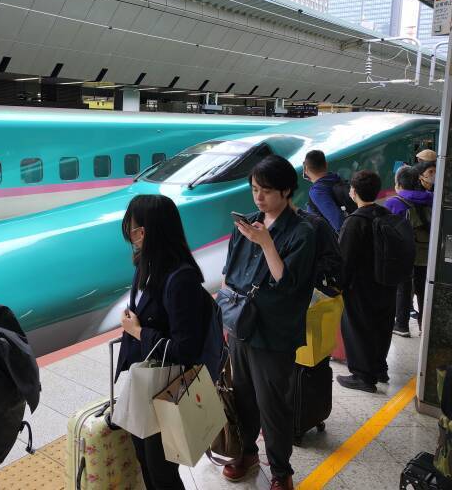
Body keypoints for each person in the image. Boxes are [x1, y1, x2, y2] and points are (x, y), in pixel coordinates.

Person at [220, 155, 316, 490]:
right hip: (241, 326)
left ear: (287, 191)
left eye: (266, 191)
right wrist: (225, 317)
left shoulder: (302, 232)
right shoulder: (247, 222)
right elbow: (229, 274)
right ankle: (246, 453)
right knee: (242, 395)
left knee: (272, 403)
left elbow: (288, 284)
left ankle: (281, 472)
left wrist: (266, 244)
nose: (258, 197)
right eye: (254, 189)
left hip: (274, 334)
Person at [116, 194, 212, 490]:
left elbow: (186, 349)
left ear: (145, 231)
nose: (131, 235)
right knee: (146, 460)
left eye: (133, 228)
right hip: (144, 382)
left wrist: (138, 332)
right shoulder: (147, 264)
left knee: (162, 473)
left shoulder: (180, 279)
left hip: (163, 389)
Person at [337, 171, 396, 392]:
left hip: (361, 286)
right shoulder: (386, 214)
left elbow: (344, 258)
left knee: (358, 328)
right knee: (381, 326)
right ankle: (380, 369)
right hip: (387, 282)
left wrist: (338, 284)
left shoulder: (355, 221)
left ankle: (363, 376)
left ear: (353, 192)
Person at [385, 166, 432, 335]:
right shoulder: (431, 198)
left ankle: (401, 325)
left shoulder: (393, 202)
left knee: (403, 288)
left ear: (398, 183)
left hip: (404, 254)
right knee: (423, 289)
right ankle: (424, 326)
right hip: (426, 252)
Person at [302, 150, 350, 234]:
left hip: (338, 241)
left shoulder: (317, 191)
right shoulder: (335, 178)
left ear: (306, 169)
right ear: (326, 164)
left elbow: (338, 222)